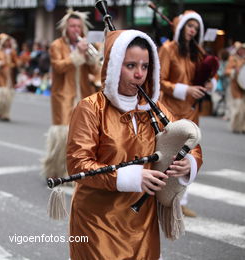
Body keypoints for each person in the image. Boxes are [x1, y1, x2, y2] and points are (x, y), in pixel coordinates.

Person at [67, 29, 203, 260]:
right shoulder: (91, 108)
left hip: (142, 222)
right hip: (97, 220)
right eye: (130, 66)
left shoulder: (154, 108)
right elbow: (77, 165)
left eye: (145, 66)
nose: (139, 74)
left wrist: (188, 163)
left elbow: (190, 143)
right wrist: (130, 177)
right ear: (113, 65)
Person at [158, 10, 211, 217]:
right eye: (190, 26)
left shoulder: (196, 53)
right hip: (170, 111)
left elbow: (200, 77)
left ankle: (181, 200)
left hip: (191, 111)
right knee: (169, 156)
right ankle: (165, 198)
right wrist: (184, 89)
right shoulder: (168, 49)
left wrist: (208, 83)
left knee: (189, 158)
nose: (192, 31)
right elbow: (160, 80)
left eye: (196, 28)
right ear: (181, 28)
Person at [41, 9, 100, 180]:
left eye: (78, 26)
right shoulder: (56, 45)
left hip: (83, 95)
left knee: (82, 135)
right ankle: (58, 171)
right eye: (72, 26)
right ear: (66, 28)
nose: (75, 29)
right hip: (63, 95)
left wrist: (91, 58)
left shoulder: (88, 45)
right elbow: (59, 66)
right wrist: (77, 54)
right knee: (62, 136)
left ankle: (77, 170)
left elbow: (95, 69)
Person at [0, 33, 19, 121]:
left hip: (9, 75)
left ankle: (5, 113)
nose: (7, 43)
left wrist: (10, 64)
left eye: (8, 41)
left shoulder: (12, 51)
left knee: (8, 96)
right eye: (5, 41)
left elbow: (16, 62)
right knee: (0, 94)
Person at [225, 43, 245, 133]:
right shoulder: (233, 58)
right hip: (235, 86)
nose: (242, 51)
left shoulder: (244, 59)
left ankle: (242, 127)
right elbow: (227, 71)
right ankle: (235, 127)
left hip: (243, 87)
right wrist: (234, 71)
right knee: (237, 108)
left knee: (243, 109)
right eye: (241, 49)